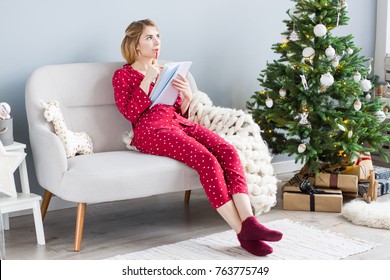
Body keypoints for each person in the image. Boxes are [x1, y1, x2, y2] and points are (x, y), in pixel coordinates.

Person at [112, 19, 282, 256]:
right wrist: (148, 78)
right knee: (207, 161)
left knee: (227, 151)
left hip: (178, 123)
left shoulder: (167, 70)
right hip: (150, 131)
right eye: (149, 37)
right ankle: (241, 232)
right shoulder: (123, 75)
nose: (156, 42)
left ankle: (250, 222)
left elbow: (180, 110)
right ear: (136, 45)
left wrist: (187, 96)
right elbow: (130, 113)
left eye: (158, 36)